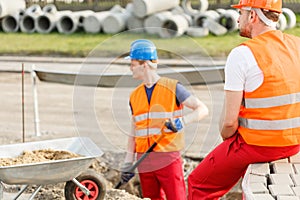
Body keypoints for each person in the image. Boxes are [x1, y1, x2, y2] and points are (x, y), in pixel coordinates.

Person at [188, 0, 300, 199]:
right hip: (294, 142)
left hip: (259, 145)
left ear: (253, 16)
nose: (238, 19)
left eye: (241, 13)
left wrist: (226, 144)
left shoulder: (242, 54)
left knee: (198, 183)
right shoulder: (296, 44)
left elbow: (229, 123)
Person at [120, 39, 209, 200]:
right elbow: (134, 131)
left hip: (167, 157)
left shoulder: (173, 87)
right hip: (143, 158)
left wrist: (182, 122)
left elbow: (202, 109)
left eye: (132, 64)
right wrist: (128, 162)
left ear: (144, 65)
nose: (130, 68)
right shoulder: (134, 95)